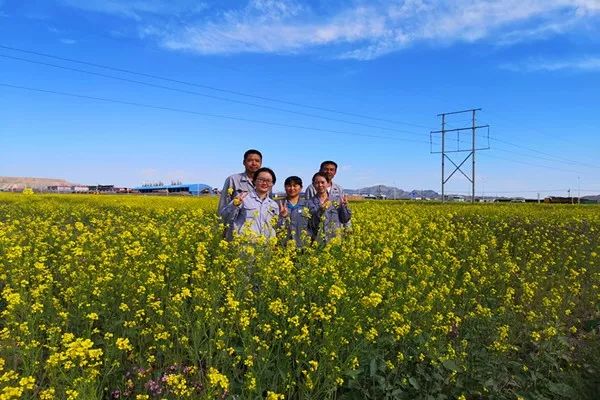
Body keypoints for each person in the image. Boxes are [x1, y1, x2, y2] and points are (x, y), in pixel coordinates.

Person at [220, 167, 279, 241]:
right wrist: (234, 205)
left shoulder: (274, 205)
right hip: (244, 246)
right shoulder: (242, 198)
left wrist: (283, 217)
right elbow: (224, 217)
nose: (264, 183)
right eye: (261, 180)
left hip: (265, 248)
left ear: (272, 184)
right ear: (254, 181)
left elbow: (276, 227)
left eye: (268, 181)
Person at [307, 172, 351, 243]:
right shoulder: (309, 203)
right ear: (313, 185)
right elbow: (311, 225)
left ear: (327, 184)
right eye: (317, 183)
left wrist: (344, 207)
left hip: (335, 239)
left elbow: (345, 219)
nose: (320, 185)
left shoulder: (337, 200)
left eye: (322, 182)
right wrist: (320, 210)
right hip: (317, 241)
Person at [217, 149, 262, 214]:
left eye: (257, 161)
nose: (254, 163)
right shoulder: (232, 179)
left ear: (261, 163)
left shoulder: (266, 183)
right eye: (250, 160)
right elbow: (222, 207)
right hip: (238, 223)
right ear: (244, 162)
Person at [278, 176, 311, 247]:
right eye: (289, 186)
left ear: (301, 188)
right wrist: (282, 217)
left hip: (303, 246)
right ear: (285, 188)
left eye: (295, 186)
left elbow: (312, 225)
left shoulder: (307, 205)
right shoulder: (279, 205)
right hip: (283, 246)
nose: (292, 188)